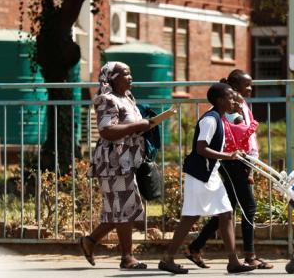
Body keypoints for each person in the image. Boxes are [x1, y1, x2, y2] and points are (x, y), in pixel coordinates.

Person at [79, 61, 176, 269]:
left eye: (130, 73)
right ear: (112, 78)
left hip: (128, 159)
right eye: (125, 74)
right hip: (113, 161)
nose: (130, 77)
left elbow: (128, 127)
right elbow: (106, 131)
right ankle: (127, 258)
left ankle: (90, 241)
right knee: (124, 207)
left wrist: (148, 125)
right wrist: (138, 125)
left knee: (125, 207)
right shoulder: (107, 99)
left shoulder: (127, 98)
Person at [158, 83, 256, 274]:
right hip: (200, 176)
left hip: (209, 175)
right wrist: (228, 156)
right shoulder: (210, 120)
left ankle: (233, 261)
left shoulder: (219, 118)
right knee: (190, 217)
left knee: (226, 214)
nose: (233, 100)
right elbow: (201, 148)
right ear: (220, 100)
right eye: (230, 97)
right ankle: (167, 258)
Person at [186, 69, 273, 270]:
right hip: (233, 160)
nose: (250, 89)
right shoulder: (232, 107)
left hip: (242, 160)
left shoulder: (240, 104)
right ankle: (250, 256)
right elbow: (238, 131)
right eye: (246, 85)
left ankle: (195, 247)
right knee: (248, 207)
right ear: (233, 88)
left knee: (226, 210)